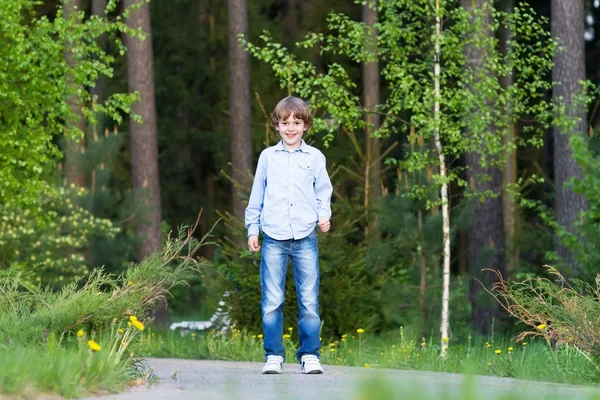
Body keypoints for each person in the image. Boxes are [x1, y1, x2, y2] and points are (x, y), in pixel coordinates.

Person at [245, 96, 333, 375]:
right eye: (285, 123)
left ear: (305, 125)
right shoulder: (268, 157)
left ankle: (310, 355)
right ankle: (274, 356)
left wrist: (324, 215)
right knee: (272, 300)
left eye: (296, 122)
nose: (291, 128)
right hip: (273, 236)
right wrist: (252, 228)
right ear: (277, 126)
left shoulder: (315, 157)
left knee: (309, 299)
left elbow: (323, 191)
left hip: (306, 236)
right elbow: (257, 194)